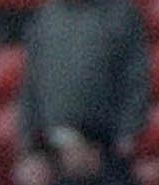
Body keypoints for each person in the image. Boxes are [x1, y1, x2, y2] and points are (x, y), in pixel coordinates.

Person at [19, 0, 150, 158]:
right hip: (50, 145)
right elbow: (31, 80)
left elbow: (135, 78)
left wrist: (127, 132)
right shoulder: (46, 15)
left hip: (102, 144)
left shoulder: (121, 14)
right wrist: (27, 139)